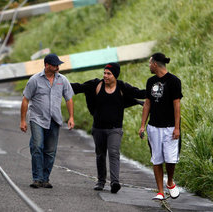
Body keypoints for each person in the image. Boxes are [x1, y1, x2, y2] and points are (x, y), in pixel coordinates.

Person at [71, 62, 145, 193]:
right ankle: (101, 181)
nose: (105, 76)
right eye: (104, 73)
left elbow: (138, 92)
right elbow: (79, 87)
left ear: (115, 75)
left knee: (114, 153)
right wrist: (59, 84)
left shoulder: (122, 87)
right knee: (100, 155)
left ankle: (115, 182)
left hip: (115, 129)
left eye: (108, 74)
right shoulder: (96, 85)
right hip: (98, 128)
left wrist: (153, 91)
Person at [20, 53, 75, 189]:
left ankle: (45, 178)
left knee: (50, 151)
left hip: (55, 120)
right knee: (37, 146)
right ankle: (37, 178)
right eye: (55, 65)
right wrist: (23, 120)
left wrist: (71, 117)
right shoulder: (34, 80)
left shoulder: (62, 80)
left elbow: (69, 99)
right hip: (37, 118)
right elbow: (26, 99)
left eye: (58, 65)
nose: (57, 67)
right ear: (47, 65)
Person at [139, 52, 182, 200]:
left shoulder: (174, 81)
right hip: (154, 127)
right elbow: (147, 104)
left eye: (150, 63)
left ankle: (170, 181)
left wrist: (177, 127)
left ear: (155, 64)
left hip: (170, 127)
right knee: (156, 159)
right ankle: (160, 191)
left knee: (170, 160)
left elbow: (177, 105)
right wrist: (143, 125)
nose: (149, 66)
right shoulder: (150, 81)